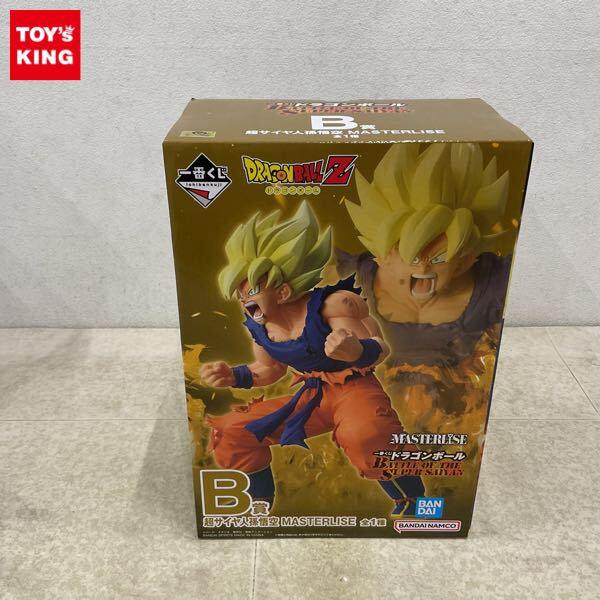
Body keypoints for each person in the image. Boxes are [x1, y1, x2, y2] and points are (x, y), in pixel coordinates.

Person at [200, 201, 425, 516]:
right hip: (312, 395)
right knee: (233, 430)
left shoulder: (333, 306)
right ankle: (258, 504)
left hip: (354, 388)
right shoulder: (259, 325)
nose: (244, 301)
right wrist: (234, 375)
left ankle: (413, 499)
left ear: (282, 292)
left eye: (251, 290)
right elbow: (268, 369)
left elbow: (379, 347)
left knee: (366, 434)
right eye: (240, 294)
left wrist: (355, 351)